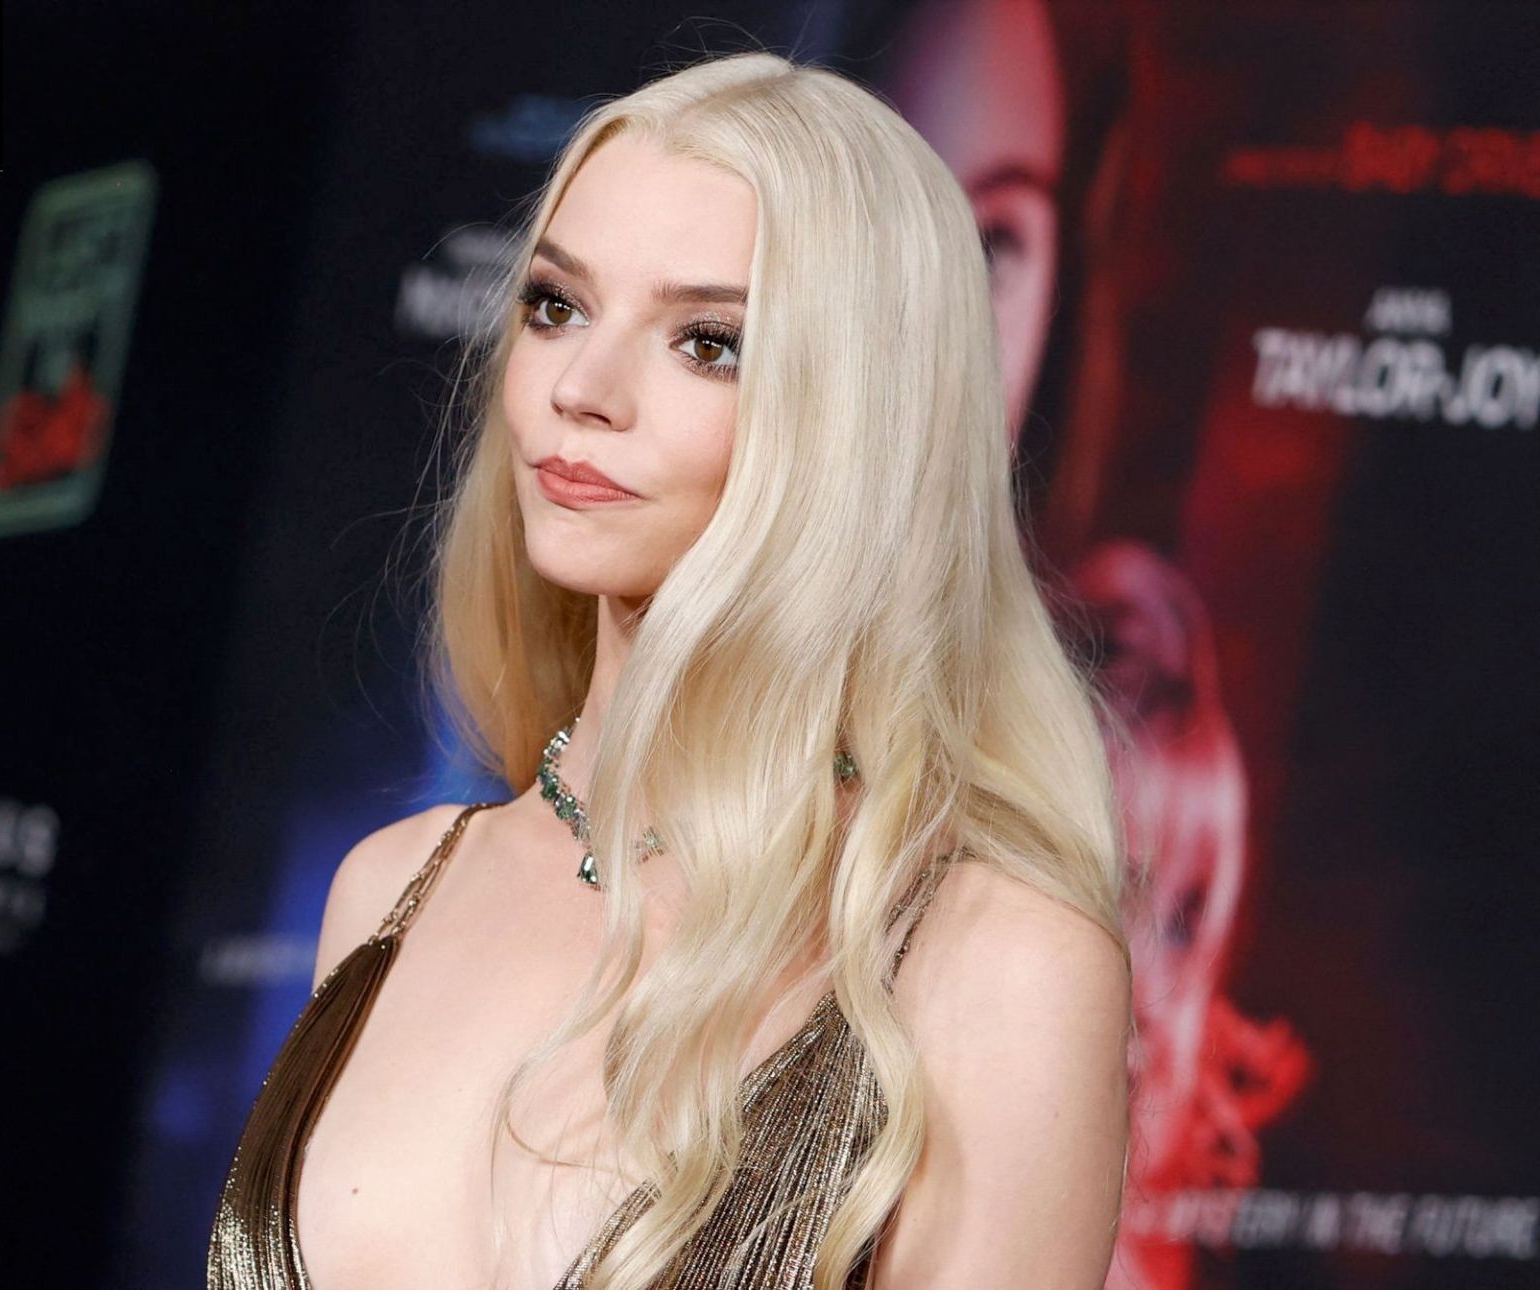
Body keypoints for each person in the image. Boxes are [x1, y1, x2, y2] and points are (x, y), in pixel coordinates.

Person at [208, 48, 1132, 1290]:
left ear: (864, 414)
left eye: (707, 342)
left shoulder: (993, 970)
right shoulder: (390, 892)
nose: (581, 390)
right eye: (557, 306)